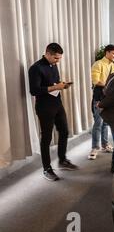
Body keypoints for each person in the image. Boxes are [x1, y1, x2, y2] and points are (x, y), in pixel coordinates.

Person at [28, 43, 78, 181]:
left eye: (59, 58)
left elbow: (53, 83)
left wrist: (62, 85)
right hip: (44, 107)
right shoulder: (35, 68)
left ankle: (62, 160)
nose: (58, 61)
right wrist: (56, 86)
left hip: (57, 104)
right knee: (46, 138)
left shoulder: (53, 65)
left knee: (64, 131)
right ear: (48, 54)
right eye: (56, 58)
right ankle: (47, 169)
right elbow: (34, 90)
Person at [88, 44, 114, 160]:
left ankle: (105, 145)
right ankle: (95, 147)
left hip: (109, 98)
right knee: (98, 123)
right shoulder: (98, 64)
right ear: (107, 52)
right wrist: (110, 86)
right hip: (99, 97)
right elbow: (96, 81)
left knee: (106, 123)